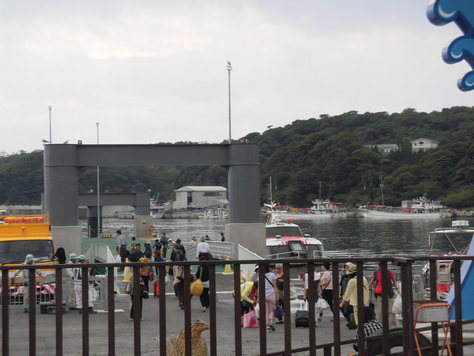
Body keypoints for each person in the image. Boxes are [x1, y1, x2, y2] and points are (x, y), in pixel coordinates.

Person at [368, 262, 399, 326]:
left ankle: (391, 324)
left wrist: (397, 288)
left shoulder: (389, 272)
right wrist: (367, 288)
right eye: (381, 267)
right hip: (379, 295)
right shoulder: (376, 273)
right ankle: (379, 324)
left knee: (391, 311)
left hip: (388, 294)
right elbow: (372, 280)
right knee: (379, 311)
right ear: (379, 267)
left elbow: (394, 280)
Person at [262, 266, 278, 332]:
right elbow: (275, 286)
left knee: (266, 312)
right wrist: (277, 295)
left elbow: (259, 288)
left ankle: (267, 326)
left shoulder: (260, 276)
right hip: (272, 294)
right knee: (271, 310)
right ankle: (271, 321)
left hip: (264, 295)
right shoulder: (273, 275)